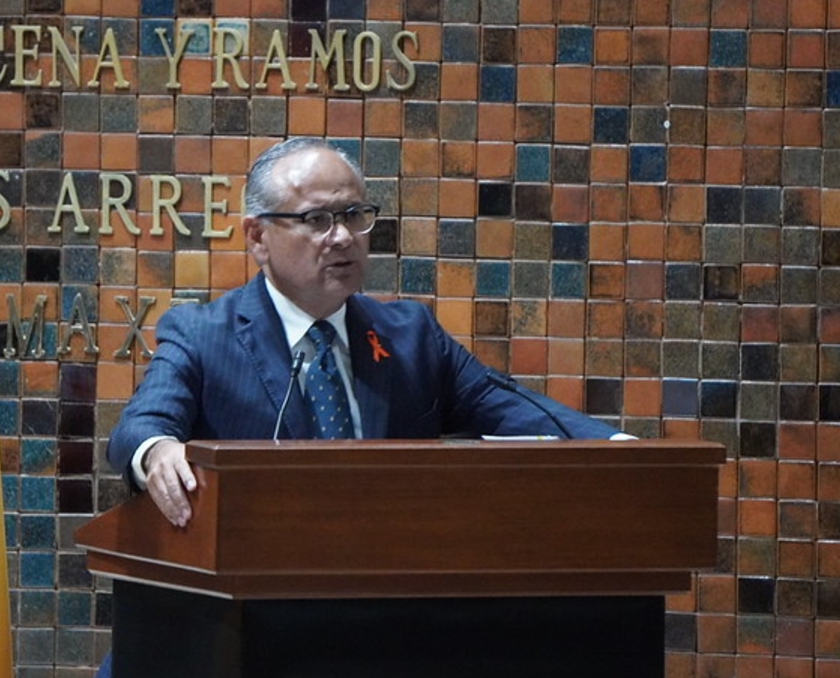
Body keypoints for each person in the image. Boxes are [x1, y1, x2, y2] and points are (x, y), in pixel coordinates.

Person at [107, 137, 629, 527]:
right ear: (258, 237)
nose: (341, 237)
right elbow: (140, 427)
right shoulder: (202, 335)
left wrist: (618, 448)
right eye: (316, 219)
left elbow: (513, 409)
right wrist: (158, 451)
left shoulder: (410, 336)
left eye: (353, 215)